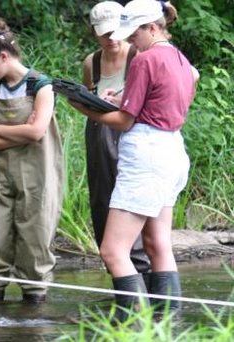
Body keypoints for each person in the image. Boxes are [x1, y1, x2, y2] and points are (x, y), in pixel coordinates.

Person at [72, 0, 196, 321]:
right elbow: (164, 101)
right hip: (172, 151)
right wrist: (121, 98)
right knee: (158, 244)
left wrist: (86, 108)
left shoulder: (145, 59)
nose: (130, 41)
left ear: (152, 27)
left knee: (113, 250)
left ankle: (135, 329)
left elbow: (126, 121)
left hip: (145, 156)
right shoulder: (180, 59)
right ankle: (169, 325)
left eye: (134, 33)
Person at [0, 18, 63, 304]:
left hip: (38, 171)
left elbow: (37, 132)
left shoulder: (41, 85)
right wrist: (18, 133)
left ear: (3, 56)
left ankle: (33, 306)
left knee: (35, 234)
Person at [70, 1, 152, 278]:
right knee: (102, 203)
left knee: (131, 204)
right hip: (99, 136)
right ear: (94, 32)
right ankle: (122, 282)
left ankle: (142, 276)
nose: (111, 38)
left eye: (116, 31)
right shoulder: (91, 62)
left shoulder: (140, 55)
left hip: (132, 135)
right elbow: (90, 103)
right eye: (104, 33)